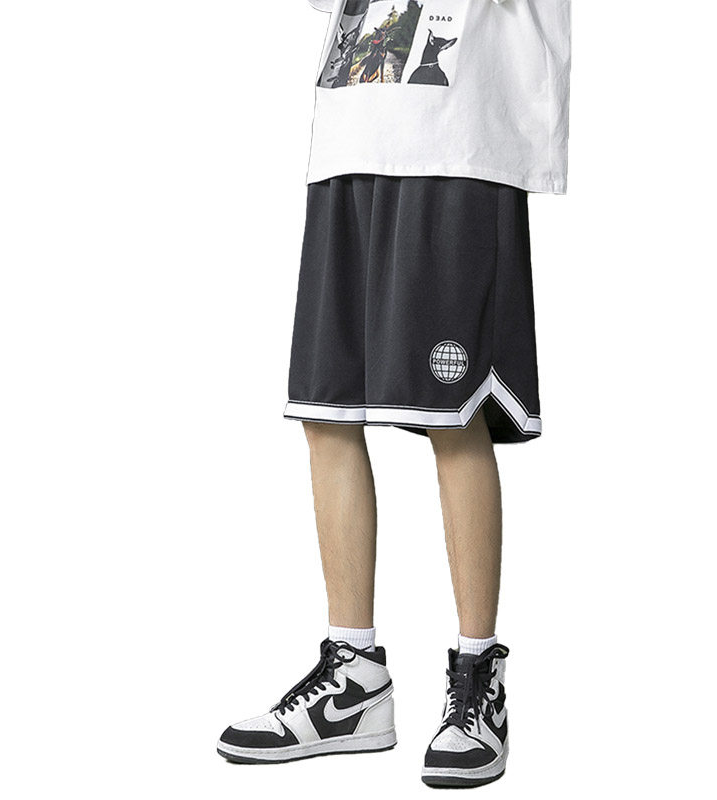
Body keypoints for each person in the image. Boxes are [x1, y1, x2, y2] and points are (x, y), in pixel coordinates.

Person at [217, 0, 571, 788]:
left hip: (457, 138)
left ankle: (478, 684)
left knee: (454, 415)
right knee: (327, 412)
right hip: (349, 129)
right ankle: (355, 681)